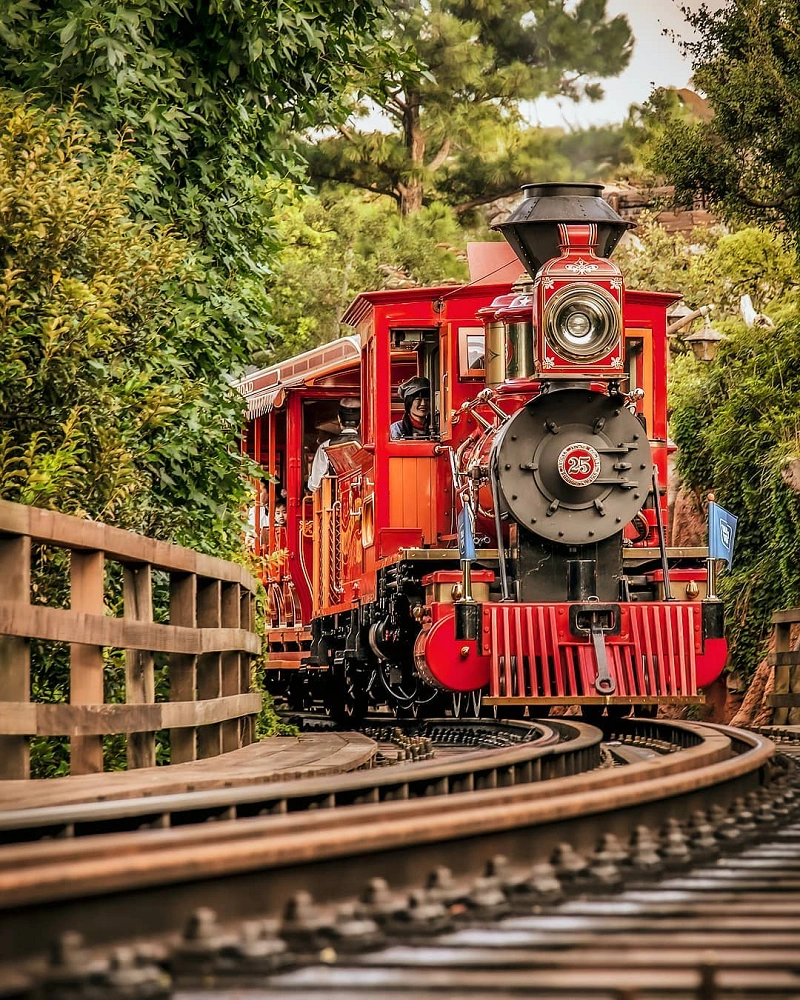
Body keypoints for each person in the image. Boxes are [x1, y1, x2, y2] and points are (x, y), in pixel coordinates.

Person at [308, 397, 361, 492]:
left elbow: (315, 485)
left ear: (339, 419)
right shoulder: (368, 445)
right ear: (360, 421)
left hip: (334, 503)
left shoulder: (325, 446)